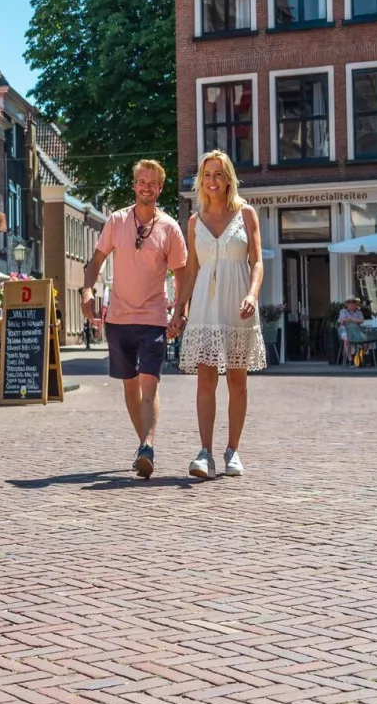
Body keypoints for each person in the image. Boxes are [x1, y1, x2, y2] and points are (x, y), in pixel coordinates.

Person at [83, 159, 189, 480]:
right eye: (141, 181)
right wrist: (87, 291)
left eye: (152, 183)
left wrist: (180, 311)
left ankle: (147, 445)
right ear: (134, 185)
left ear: (160, 187)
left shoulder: (170, 227)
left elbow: (182, 273)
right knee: (130, 387)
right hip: (118, 318)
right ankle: (142, 444)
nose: (146, 187)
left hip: (153, 318)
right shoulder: (116, 221)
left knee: (148, 383)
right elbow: (96, 261)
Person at [173, 150, 265, 480]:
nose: (212, 181)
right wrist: (179, 310)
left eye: (218, 174)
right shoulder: (194, 222)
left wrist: (252, 294)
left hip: (238, 302)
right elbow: (192, 271)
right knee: (205, 380)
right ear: (202, 180)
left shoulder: (246, 214)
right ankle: (204, 453)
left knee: (238, 382)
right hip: (204, 307)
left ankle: (233, 450)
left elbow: (257, 261)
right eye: (207, 175)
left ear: (229, 179)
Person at [337, 296, 365, 365]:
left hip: (357, 331)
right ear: (347, 304)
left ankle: (359, 356)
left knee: (366, 339)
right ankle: (350, 360)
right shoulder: (343, 311)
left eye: (353, 302)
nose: (351, 304)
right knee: (346, 340)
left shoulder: (359, 312)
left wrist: (351, 320)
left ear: (355, 304)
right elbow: (341, 321)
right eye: (350, 302)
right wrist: (354, 321)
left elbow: (361, 321)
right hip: (345, 331)